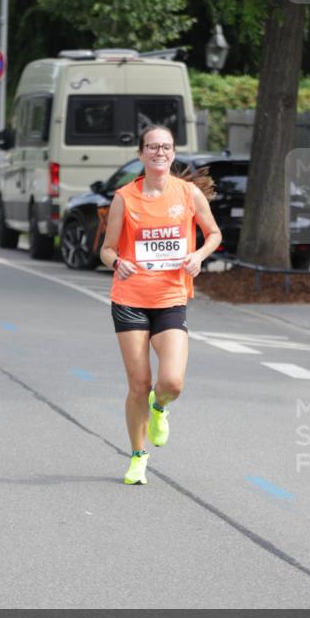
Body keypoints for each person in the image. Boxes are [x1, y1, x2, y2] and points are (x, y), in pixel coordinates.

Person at [100, 125, 222, 485]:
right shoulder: (125, 198)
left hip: (170, 298)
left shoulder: (187, 194)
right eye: (152, 147)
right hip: (130, 300)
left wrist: (198, 256)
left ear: (173, 153)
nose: (159, 152)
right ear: (141, 154)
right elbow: (107, 249)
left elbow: (214, 234)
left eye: (166, 147)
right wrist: (116, 262)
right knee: (139, 383)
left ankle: (160, 406)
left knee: (172, 382)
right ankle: (138, 458)